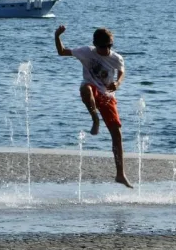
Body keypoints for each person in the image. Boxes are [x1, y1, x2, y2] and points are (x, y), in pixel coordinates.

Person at [54, 25, 132, 188]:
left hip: (107, 96)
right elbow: (62, 52)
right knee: (86, 87)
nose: (106, 49)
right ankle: (95, 118)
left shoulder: (116, 58)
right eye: (103, 47)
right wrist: (57, 36)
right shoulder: (86, 51)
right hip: (91, 90)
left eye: (110, 46)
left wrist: (118, 82)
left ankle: (120, 174)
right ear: (95, 45)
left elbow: (122, 72)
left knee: (117, 134)